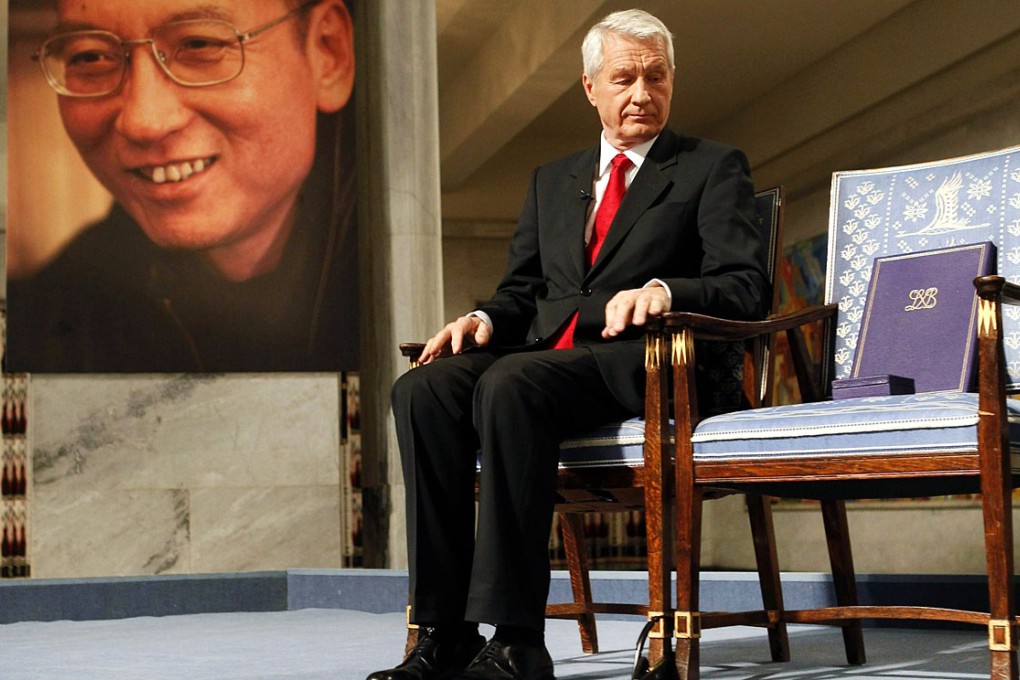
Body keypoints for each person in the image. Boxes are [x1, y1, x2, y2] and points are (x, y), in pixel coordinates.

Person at [371, 9, 769, 680]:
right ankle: (444, 634)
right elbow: (522, 289)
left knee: (510, 384)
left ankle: (518, 640)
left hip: (643, 361)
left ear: (672, 81)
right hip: (546, 357)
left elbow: (746, 285)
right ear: (590, 87)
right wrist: (483, 319)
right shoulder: (550, 179)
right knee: (423, 388)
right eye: (623, 78)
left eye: (656, 76)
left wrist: (667, 292)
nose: (641, 93)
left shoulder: (710, 167)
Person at [6, 0, 358, 372]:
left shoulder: (413, 284)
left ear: (327, 51)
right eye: (90, 57)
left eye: (199, 45)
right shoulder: (44, 330)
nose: (144, 121)